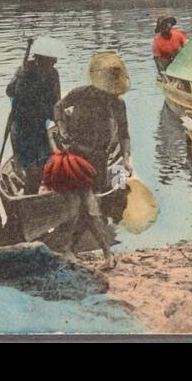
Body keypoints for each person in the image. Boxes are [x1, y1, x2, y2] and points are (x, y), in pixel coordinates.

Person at [48, 52, 133, 269]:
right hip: (76, 153)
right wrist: (62, 127)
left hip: (100, 157)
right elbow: (58, 107)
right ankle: (103, 253)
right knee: (88, 204)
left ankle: (72, 249)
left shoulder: (117, 104)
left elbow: (124, 134)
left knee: (87, 204)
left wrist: (126, 158)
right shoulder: (80, 94)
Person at [6, 36, 63, 192]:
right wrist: (19, 76)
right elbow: (9, 91)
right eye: (52, 60)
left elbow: (56, 103)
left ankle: (34, 192)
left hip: (38, 126)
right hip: (22, 127)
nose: (54, 63)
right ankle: (29, 194)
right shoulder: (25, 71)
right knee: (33, 170)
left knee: (45, 166)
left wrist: (60, 121)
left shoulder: (52, 74)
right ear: (41, 59)